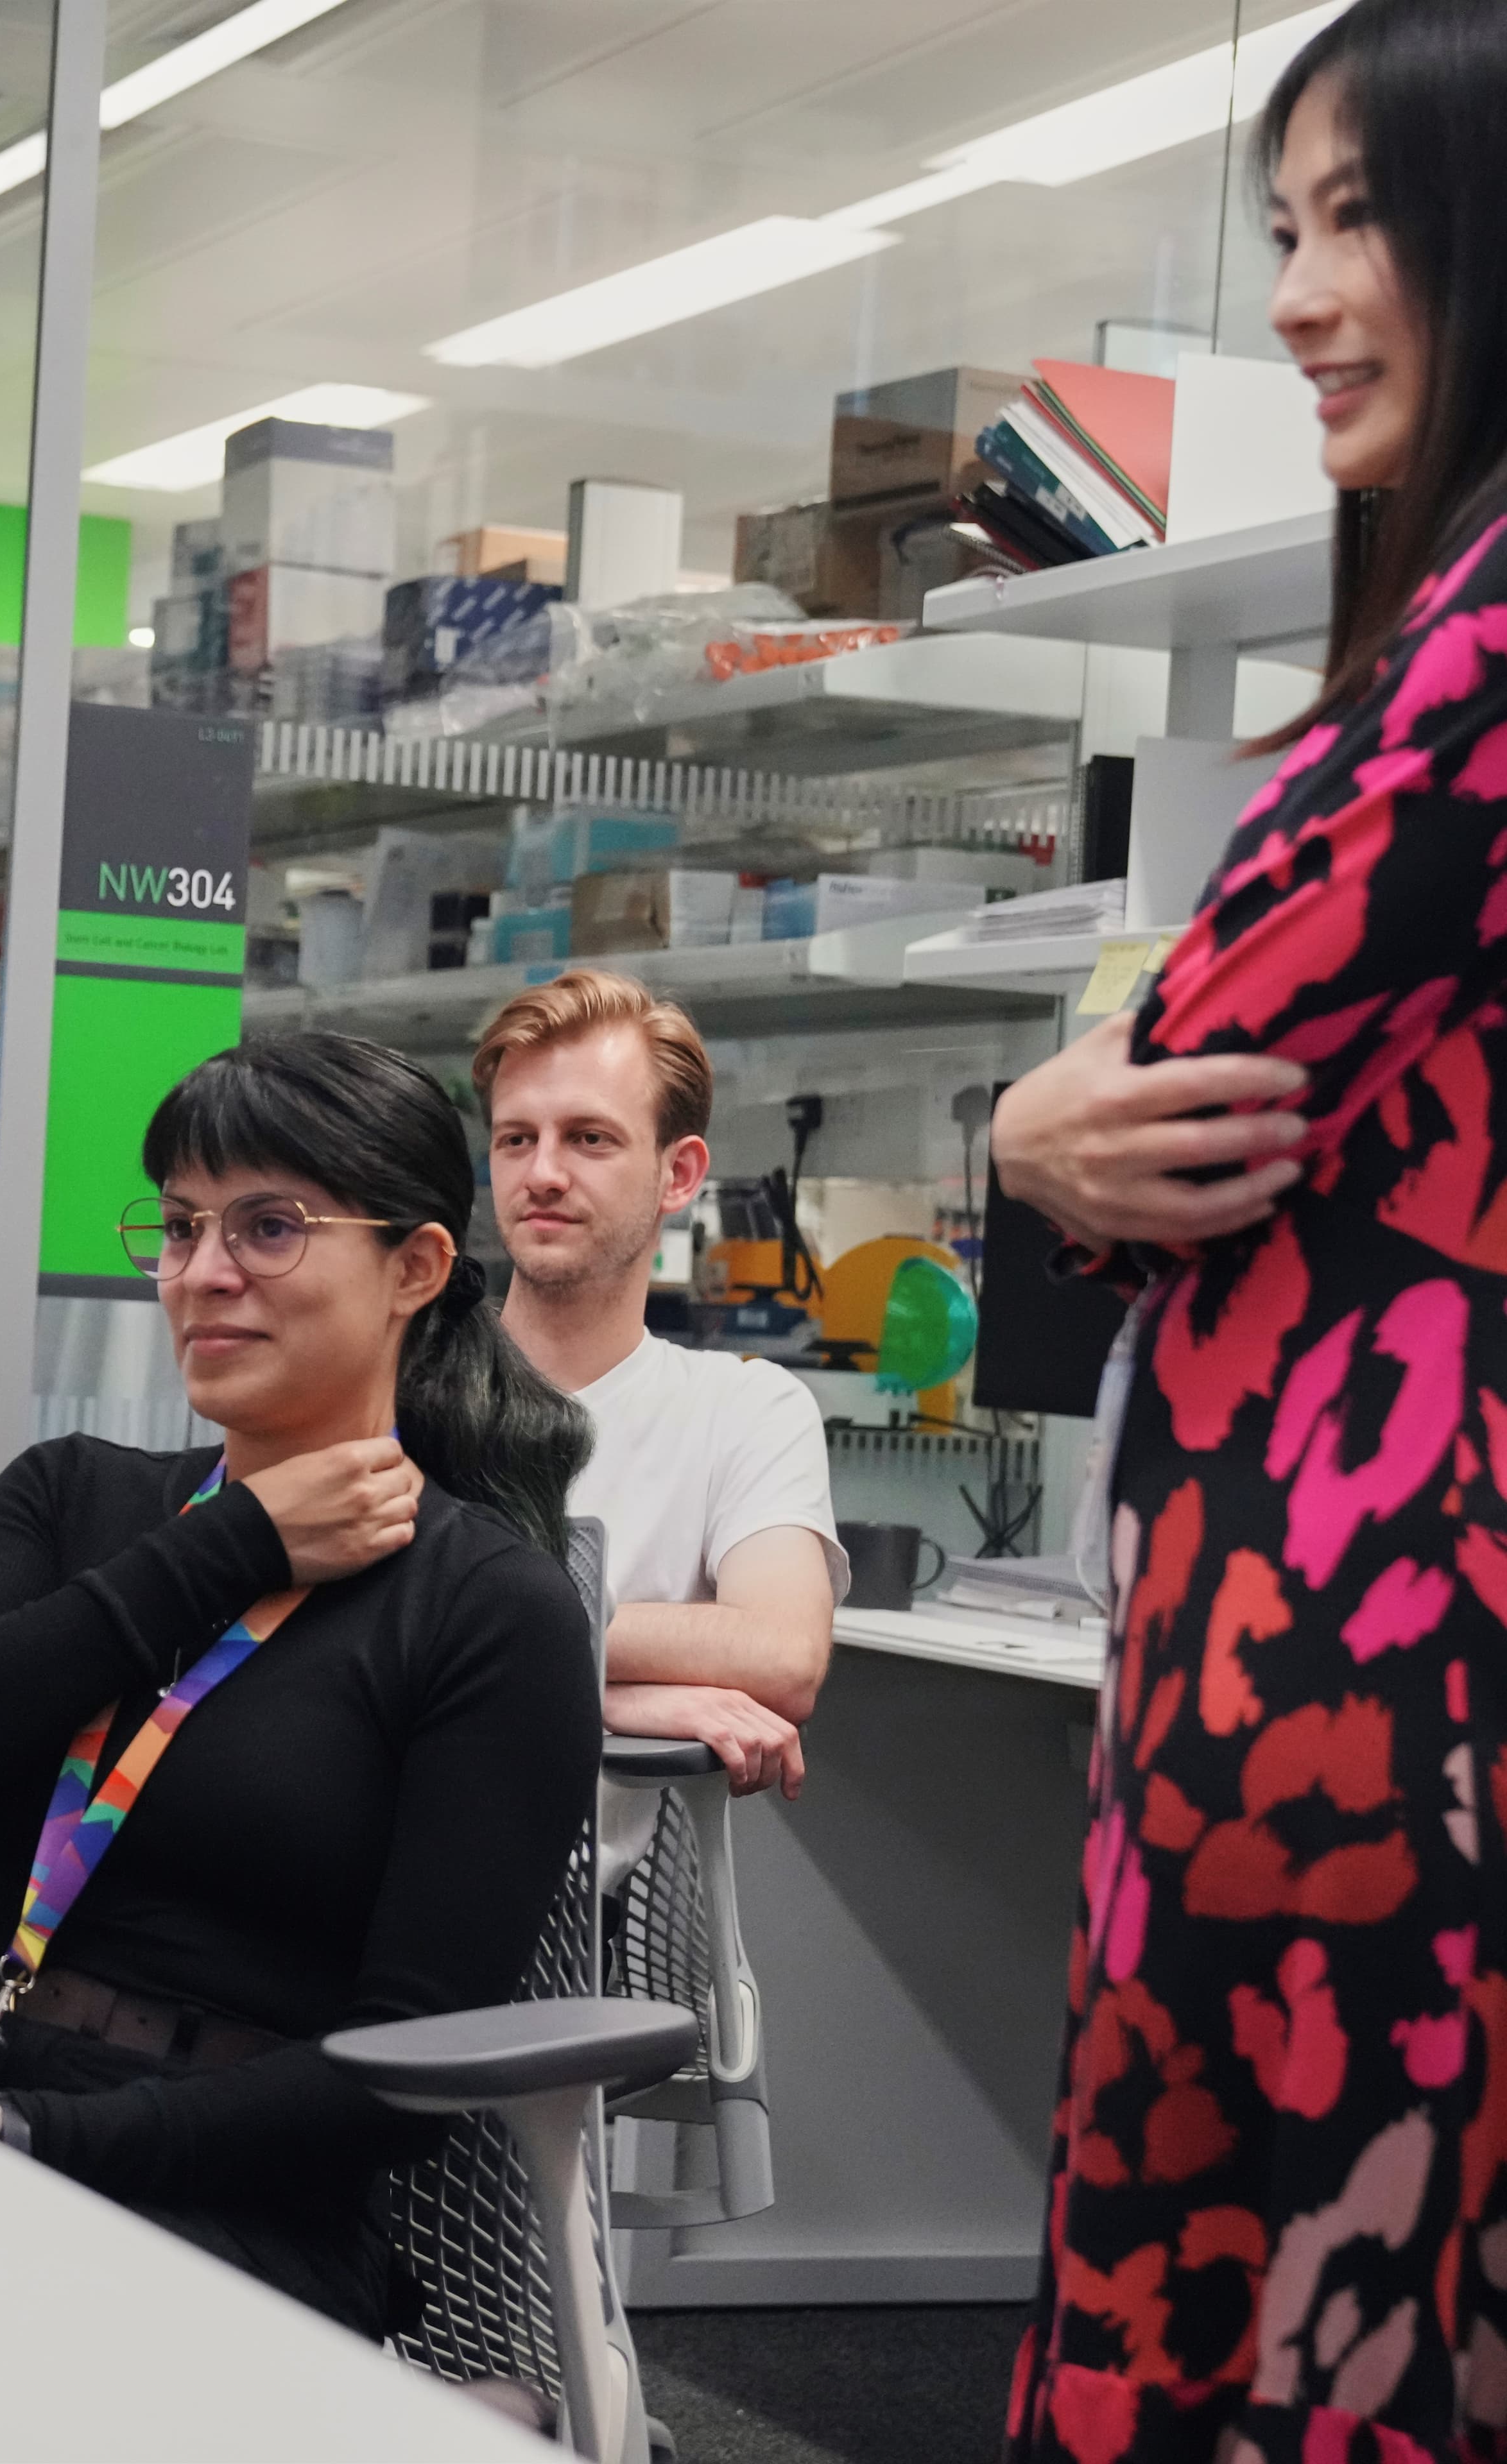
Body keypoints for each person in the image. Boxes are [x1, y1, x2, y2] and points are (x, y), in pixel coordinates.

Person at [991, 5, 1507, 2450]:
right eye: (1285, 227)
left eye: (1360, 219)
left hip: (1373, 1645)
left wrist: (1032, 1127)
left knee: (1292, 2315)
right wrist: (1042, 1128)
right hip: (1325, 1629)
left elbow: (1191, 1063)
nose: (1298, 296)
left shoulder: (1491, 635)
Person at [0, 1032, 601, 2336]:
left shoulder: (489, 1610)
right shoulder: (77, 1496)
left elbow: (404, 2076)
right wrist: (231, 1546)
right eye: (180, 1229)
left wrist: (29, 2134)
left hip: (223, 2187)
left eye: (270, 1228)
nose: (203, 1273)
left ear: (414, 1268)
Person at [474, 970, 843, 1851]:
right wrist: (617, 1694)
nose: (543, 1173)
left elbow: (785, 1656)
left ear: (678, 1174)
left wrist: (549, 1659)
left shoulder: (744, 1410)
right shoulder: (406, 1384)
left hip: (594, 1923)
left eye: (589, 1138)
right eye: (517, 1139)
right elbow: (352, 1643)